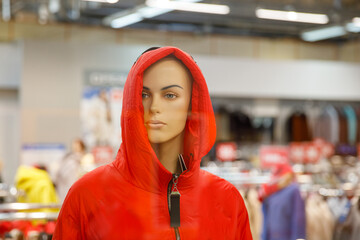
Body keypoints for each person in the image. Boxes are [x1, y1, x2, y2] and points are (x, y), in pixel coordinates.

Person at [53, 46, 252, 239]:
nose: (155, 107)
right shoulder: (87, 196)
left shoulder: (226, 200)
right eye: (144, 95)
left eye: (170, 95)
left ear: (192, 104)